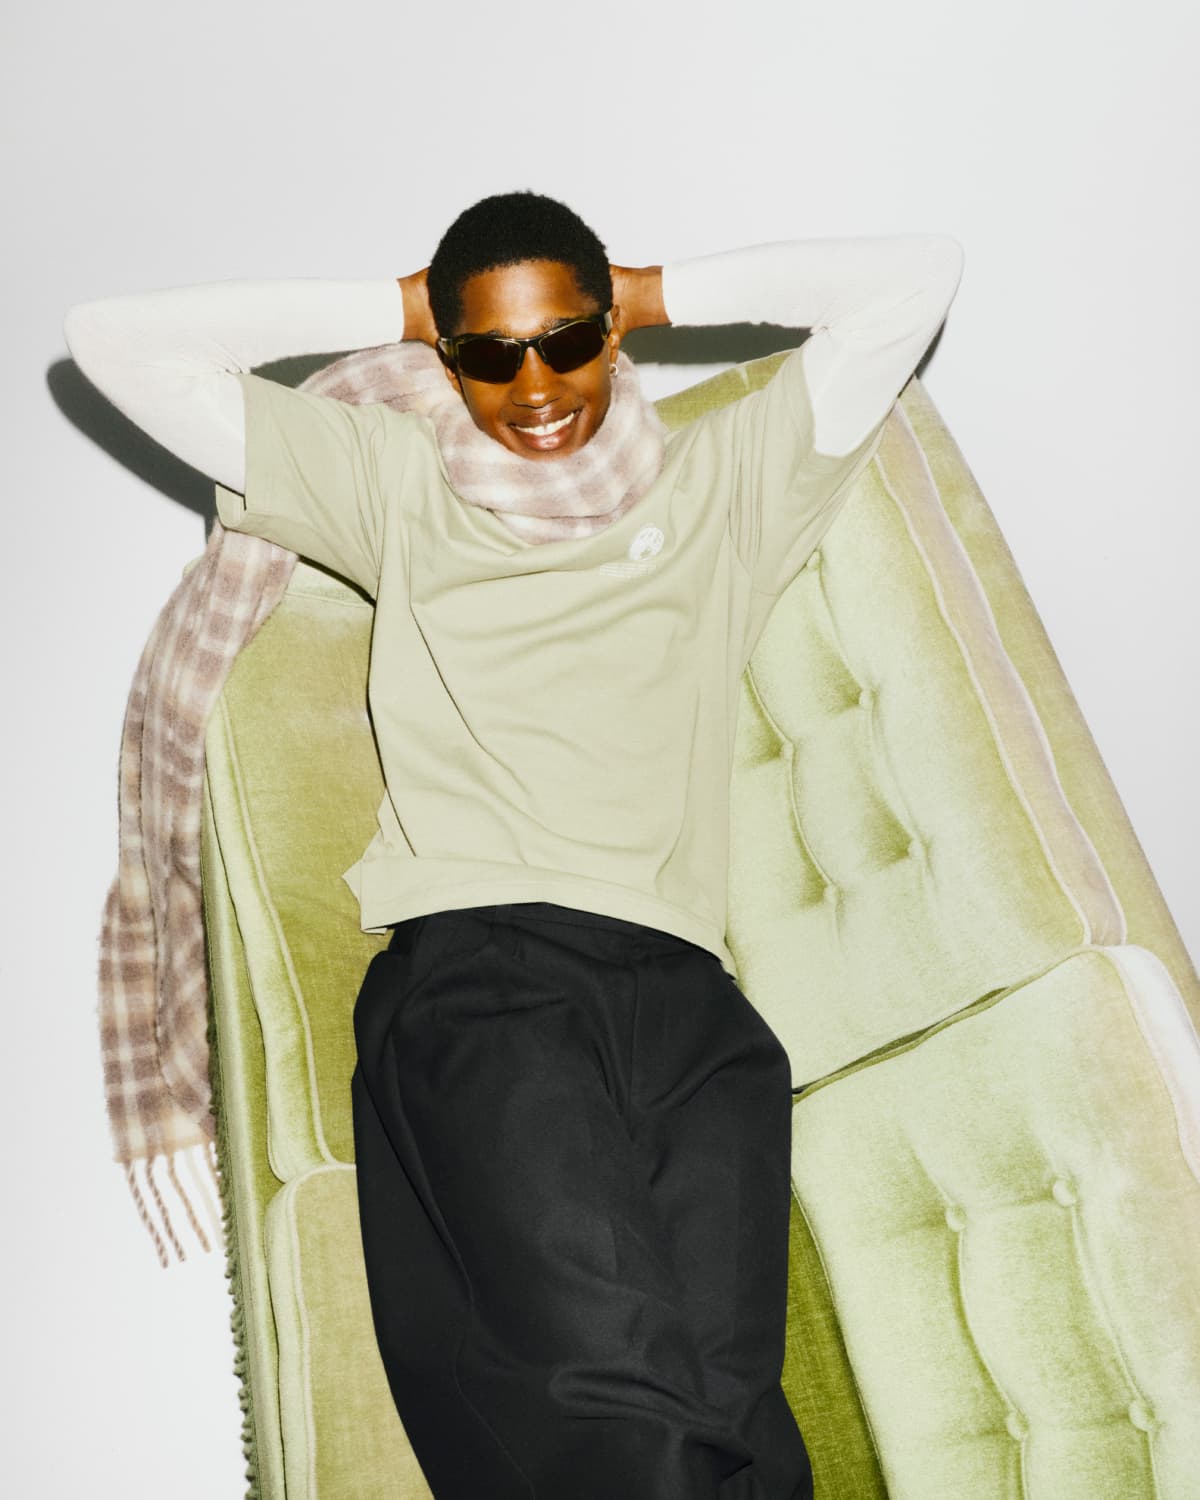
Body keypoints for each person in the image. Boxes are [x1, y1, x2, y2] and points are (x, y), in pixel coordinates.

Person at [65, 192, 963, 1500]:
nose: (534, 386)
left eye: (568, 341)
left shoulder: (724, 487)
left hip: (698, 1012)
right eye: (488, 355)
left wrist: (649, 288)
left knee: (740, 1427)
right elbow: (116, 343)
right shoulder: (396, 487)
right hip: (488, 986)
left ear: (612, 333)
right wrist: (405, 307)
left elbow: (914, 274)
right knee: (621, 1416)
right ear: (449, 359)